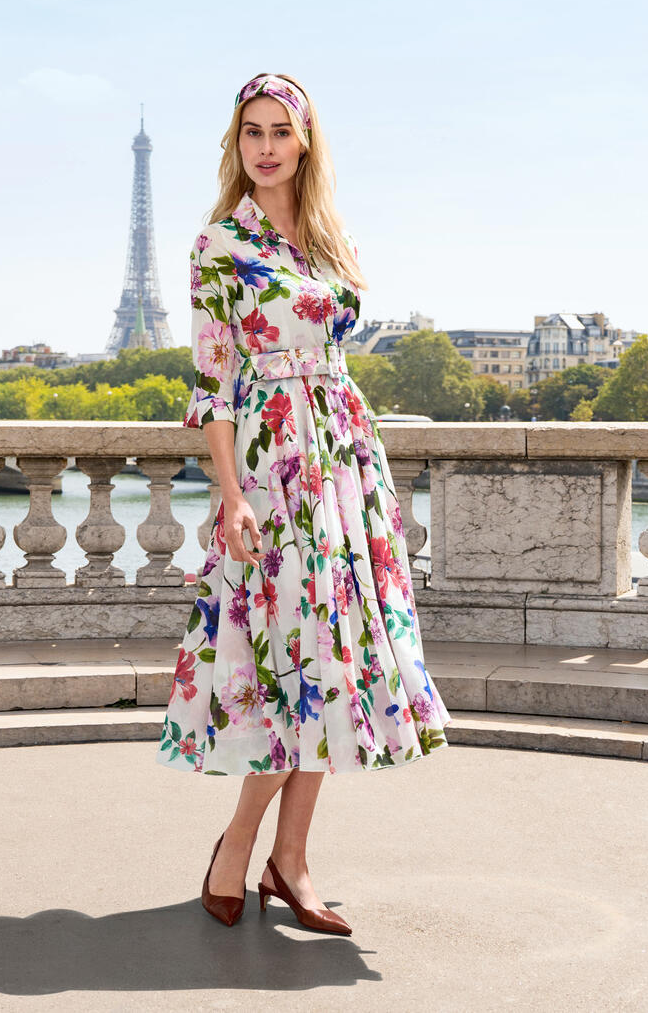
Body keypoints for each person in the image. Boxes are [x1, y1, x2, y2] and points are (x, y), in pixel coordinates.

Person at [157, 72, 452, 935]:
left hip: (344, 460)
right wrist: (232, 495)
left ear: (307, 141)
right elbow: (212, 386)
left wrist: (355, 452)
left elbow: (339, 348)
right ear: (236, 142)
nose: (266, 146)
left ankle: (291, 861)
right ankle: (238, 844)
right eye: (252, 131)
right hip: (274, 462)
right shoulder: (219, 244)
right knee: (296, 655)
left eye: (282, 131)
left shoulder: (330, 236)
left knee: (341, 654)